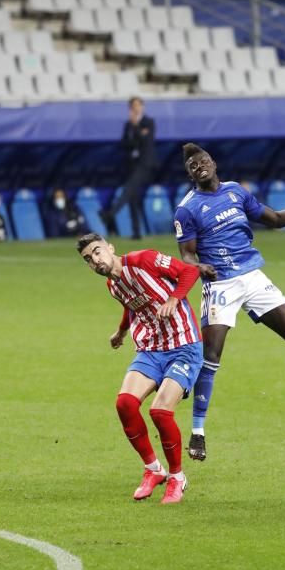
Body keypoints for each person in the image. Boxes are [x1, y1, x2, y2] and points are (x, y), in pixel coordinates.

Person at [173, 143, 285, 462]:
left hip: (252, 275)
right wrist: (198, 267)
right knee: (210, 357)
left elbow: (277, 219)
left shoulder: (235, 192)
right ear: (189, 174)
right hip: (221, 283)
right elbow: (186, 254)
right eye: (192, 166)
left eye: (203, 162)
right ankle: (198, 433)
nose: (199, 167)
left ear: (213, 163)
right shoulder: (187, 208)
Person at [77, 232, 203, 504]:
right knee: (124, 404)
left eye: (97, 251)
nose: (95, 260)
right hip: (150, 349)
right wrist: (121, 332)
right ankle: (153, 470)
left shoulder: (143, 260)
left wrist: (173, 300)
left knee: (160, 411)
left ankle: (177, 478)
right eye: (88, 259)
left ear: (110, 248)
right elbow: (131, 304)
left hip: (184, 345)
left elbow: (189, 271)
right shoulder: (112, 285)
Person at [101, 97, 155, 240]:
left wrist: (136, 127)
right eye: (133, 106)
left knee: (128, 189)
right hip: (131, 164)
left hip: (144, 164)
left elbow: (146, 142)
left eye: (138, 105)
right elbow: (125, 143)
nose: (135, 108)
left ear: (142, 107)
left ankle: (110, 214)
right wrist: (135, 133)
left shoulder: (148, 122)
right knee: (132, 197)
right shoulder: (128, 125)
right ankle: (136, 232)